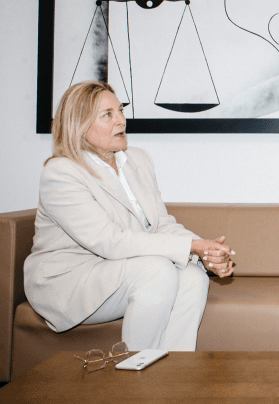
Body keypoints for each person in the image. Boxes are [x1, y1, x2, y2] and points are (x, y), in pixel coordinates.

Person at [24, 81, 234, 351]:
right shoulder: (61, 173)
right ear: (80, 125)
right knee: (156, 271)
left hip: (120, 272)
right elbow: (108, 241)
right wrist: (193, 246)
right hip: (69, 281)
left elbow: (160, 224)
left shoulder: (138, 160)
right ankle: (136, 371)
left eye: (121, 111)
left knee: (193, 277)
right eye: (107, 115)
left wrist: (206, 253)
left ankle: (176, 369)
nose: (121, 120)